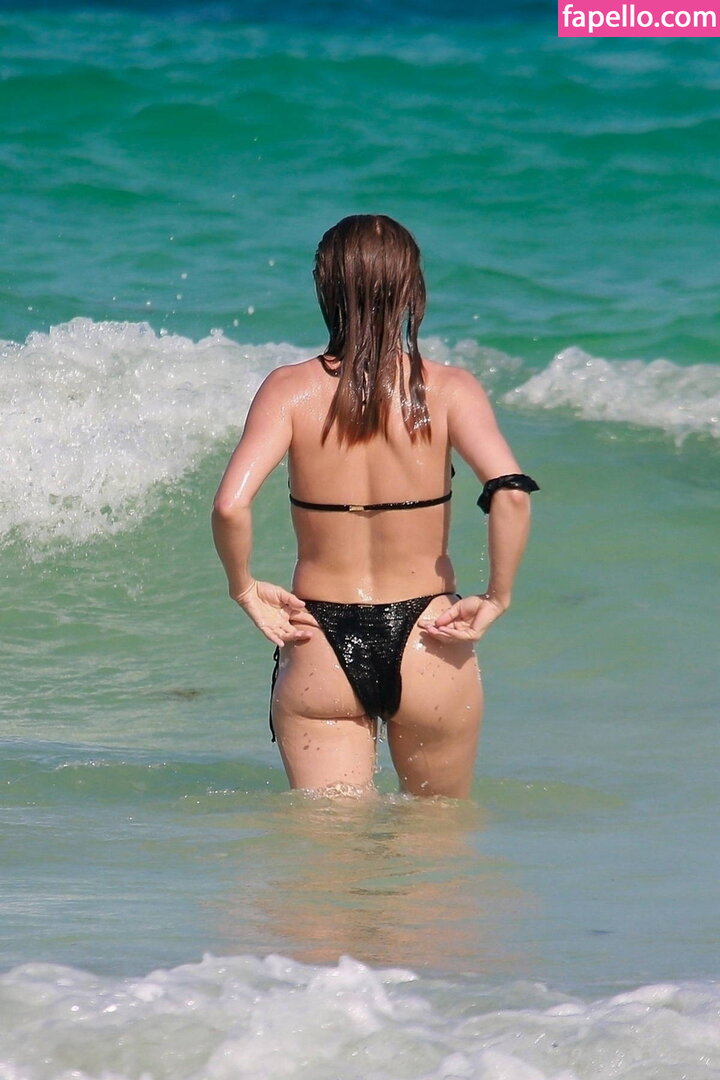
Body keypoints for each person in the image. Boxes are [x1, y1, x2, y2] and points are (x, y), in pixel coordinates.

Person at [212, 215, 537, 798]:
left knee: (327, 846)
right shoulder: (450, 388)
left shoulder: (290, 389)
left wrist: (245, 590)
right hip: (430, 638)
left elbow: (231, 507)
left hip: (318, 642)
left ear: (325, 287)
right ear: (413, 287)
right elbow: (510, 491)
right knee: (436, 837)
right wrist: (497, 597)